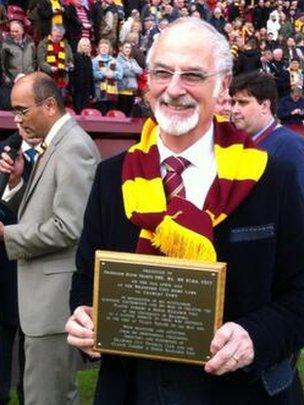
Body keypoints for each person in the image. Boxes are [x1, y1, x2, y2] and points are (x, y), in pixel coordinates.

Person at [65, 18, 304, 404]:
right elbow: (85, 279)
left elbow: (298, 294)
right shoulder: (112, 178)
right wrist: (84, 318)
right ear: (147, 80)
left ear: (222, 85)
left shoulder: (270, 177)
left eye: (192, 75)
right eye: (162, 72)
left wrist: (254, 336)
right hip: (132, 391)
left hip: (239, 394)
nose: (174, 89)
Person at [0, 72, 100, 405]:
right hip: (43, 305)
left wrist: (7, 234)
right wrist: (16, 186)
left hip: (54, 306)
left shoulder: (74, 148)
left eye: (22, 110)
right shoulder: (56, 144)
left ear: (50, 106)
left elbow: (68, 226)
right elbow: (43, 209)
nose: (17, 120)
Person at [230, 70, 304, 186]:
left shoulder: (290, 146)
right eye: (233, 103)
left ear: (264, 106)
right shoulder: (237, 142)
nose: (234, 110)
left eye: (242, 103)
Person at [37, 25, 74, 102]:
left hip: (62, 80)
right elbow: (41, 62)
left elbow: (70, 61)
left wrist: (69, 66)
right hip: (47, 79)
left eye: (60, 36)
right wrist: (50, 68)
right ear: (52, 33)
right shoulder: (43, 44)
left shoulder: (66, 46)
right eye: (56, 36)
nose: (58, 38)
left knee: (60, 102)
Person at [0, 20, 35, 87]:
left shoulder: (30, 42)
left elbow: (34, 60)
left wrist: (31, 73)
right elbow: (2, 64)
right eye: (12, 31)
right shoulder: (6, 44)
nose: (14, 34)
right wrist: (8, 80)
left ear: (22, 31)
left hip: (28, 80)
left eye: (16, 31)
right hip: (13, 82)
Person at [116, 41, 143, 116]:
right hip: (122, 90)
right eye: (126, 47)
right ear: (122, 49)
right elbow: (123, 72)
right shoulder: (118, 60)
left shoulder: (132, 60)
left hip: (132, 90)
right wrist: (133, 70)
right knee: (122, 113)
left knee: (129, 113)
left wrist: (130, 68)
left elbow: (140, 71)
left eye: (129, 48)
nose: (128, 49)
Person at [72, 37, 95, 115]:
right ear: (80, 46)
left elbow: (91, 76)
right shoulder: (75, 57)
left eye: (88, 46)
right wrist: (71, 87)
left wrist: (93, 92)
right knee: (78, 111)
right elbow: (72, 74)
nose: (86, 47)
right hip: (77, 89)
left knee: (84, 111)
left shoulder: (89, 59)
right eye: (84, 45)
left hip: (87, 89)